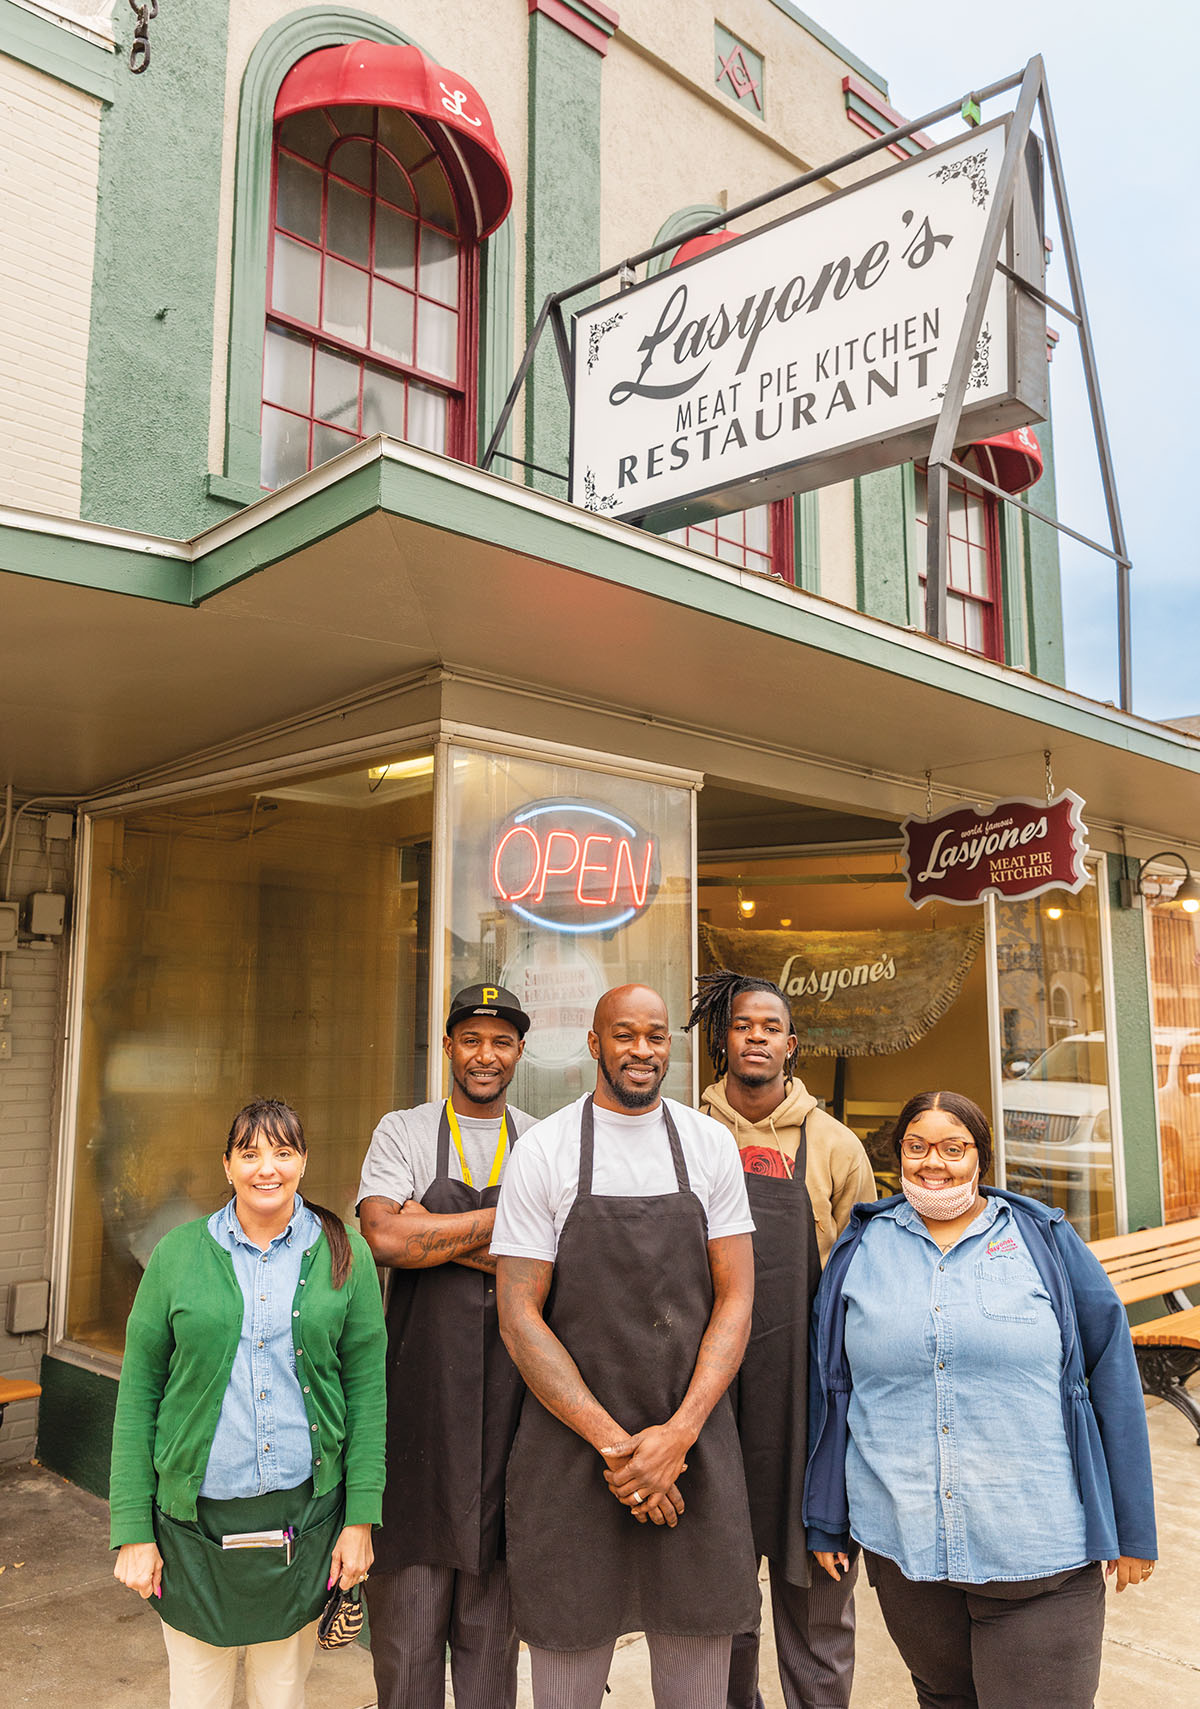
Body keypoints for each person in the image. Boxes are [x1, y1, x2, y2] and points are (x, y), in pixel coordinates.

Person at [804, 1090, 1158, 1709]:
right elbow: (834, 1392)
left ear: (981, 1157)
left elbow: (1111, 1377)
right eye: (916, 1147)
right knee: (943, 1701)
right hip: (905, 1549)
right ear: (898, 1156)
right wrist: (828, 1517)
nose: (932, 1162)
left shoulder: (1042, 1240)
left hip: (1040, 1548)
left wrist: (1133, 1529)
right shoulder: (862, 1248)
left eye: (952, 1147)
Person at [493, 983, 761, 1709]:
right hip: (571, 1459)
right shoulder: (545, 1151)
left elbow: (736, 1295)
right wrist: (621, 1450)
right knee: (566, 1676)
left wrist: (677, 1435)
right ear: (594, 1043)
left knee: (697, 1674)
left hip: (691, 1453)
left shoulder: (708, 1145)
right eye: (624, 1034)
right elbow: (518, 1314)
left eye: (655, 1035)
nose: (641, 1050)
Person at [110, 1097, 386, 1709]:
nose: (268, 1167)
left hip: (304, 1519)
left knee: (282, 1694)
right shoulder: (176, 1255)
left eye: (284, 1152)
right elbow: (137, 1398)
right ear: (227, 1165)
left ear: (303, 1162)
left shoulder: (347, 1257)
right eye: (251, 1152)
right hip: (191, 1525)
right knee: (197, 1696)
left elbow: (368, 1392)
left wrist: (360, 1518)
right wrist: (133, 1529)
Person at [685, 970, 876, 1709]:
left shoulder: (833, 1145)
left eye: (771, 1026)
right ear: (722, 1039)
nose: (756, 1036)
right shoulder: (687, 1134)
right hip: (712, 1397)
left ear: (791, 1045)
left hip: (809, 1405)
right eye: (741, 1024)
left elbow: (863, 1276)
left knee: (818, 1599)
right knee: (720, 1597)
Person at [356, 983, 535, 1709]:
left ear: (519, 1051)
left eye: (500, 1041)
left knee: (493, 1648)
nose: (484, 1055)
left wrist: (436, 1230)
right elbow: (385, 1236)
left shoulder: (544, 1140)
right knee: (406, 1646)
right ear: (449, 1048)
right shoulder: (402, 1130)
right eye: (471, 1039)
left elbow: (562, 1260)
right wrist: (511, 1225)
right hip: (417, 1418)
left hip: (513, 1423)